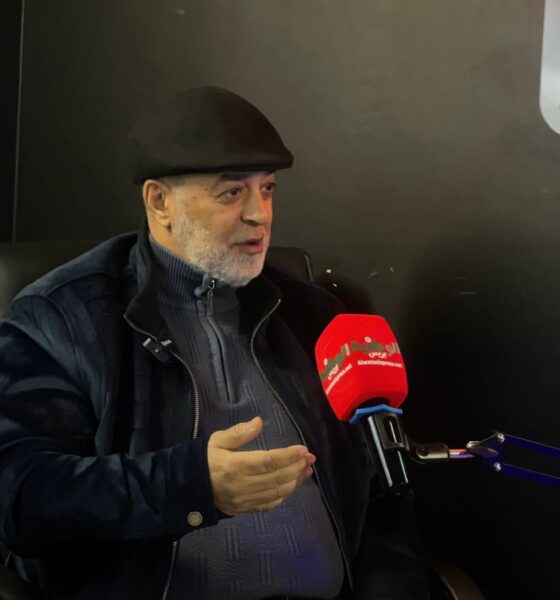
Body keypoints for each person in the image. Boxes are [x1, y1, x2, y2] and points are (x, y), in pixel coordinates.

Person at [0, 86, 430, 599]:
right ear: (160, 201)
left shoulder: (314, 316)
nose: (260, 214)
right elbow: (20, 497)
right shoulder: (62, 317)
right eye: (232, 193)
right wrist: (191, 485)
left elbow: (382, 493)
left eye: (267, 189)